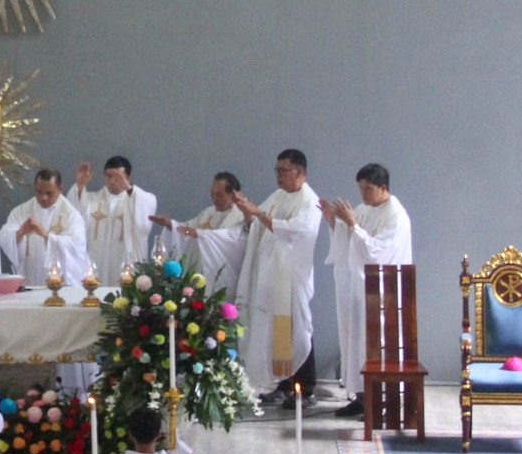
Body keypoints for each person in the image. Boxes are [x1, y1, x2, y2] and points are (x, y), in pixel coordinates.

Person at [196, 150, 324, 403]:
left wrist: (257, 214)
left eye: (283, 170)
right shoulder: (278, 196)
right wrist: (248, 213)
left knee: (297, 328)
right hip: (270, 274)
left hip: (290, 275)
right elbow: (256, 221)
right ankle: (282, 382)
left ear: (299, 172)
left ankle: (305, 388)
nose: (278, 175)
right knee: (274, 330)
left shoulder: (310, 202)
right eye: (276, 170)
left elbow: (298, 231)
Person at [324, 164, 414, 418]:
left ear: (383, 188)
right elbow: (350, 239)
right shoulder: (364, 209)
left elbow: (377, 252)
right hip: (359, 289)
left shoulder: (396, 215)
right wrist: (334, 221)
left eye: (369, 189)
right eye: (360, 188)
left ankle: (381, 401)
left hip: (383, 292)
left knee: (376, 346)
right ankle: (361, 398)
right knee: (355, 343)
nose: (363, 194)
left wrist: (352, 224)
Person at [1, 167, 89, 287]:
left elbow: (77, 246)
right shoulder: (21, 211)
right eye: (39, 192)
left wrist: (46, 236)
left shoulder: (71, 215)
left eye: (49, 193)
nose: (43, 197)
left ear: (60, 189)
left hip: (58, 284)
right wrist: (20, 232)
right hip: (29, 277)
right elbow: (4, 237)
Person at [76, 157, 158, 285]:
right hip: (96, 259)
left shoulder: (136, 200)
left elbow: (148, 206)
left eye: (118, 177)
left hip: (123, 259)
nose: (112, 181)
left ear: (128, 178)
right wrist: (80, 186)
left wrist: (128, 188)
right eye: (109, 176)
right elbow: (76, 212)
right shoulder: (92, 200)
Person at [161, 173, 247, 292]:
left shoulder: (241, 215)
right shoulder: (208, 213)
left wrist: (202, 234)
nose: (214, 199)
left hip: (227, 275)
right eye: (212, 194)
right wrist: (171, 224)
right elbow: (188, 228)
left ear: (233, 195)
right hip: (203, 273)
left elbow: (234, 239)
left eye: (219, 194)